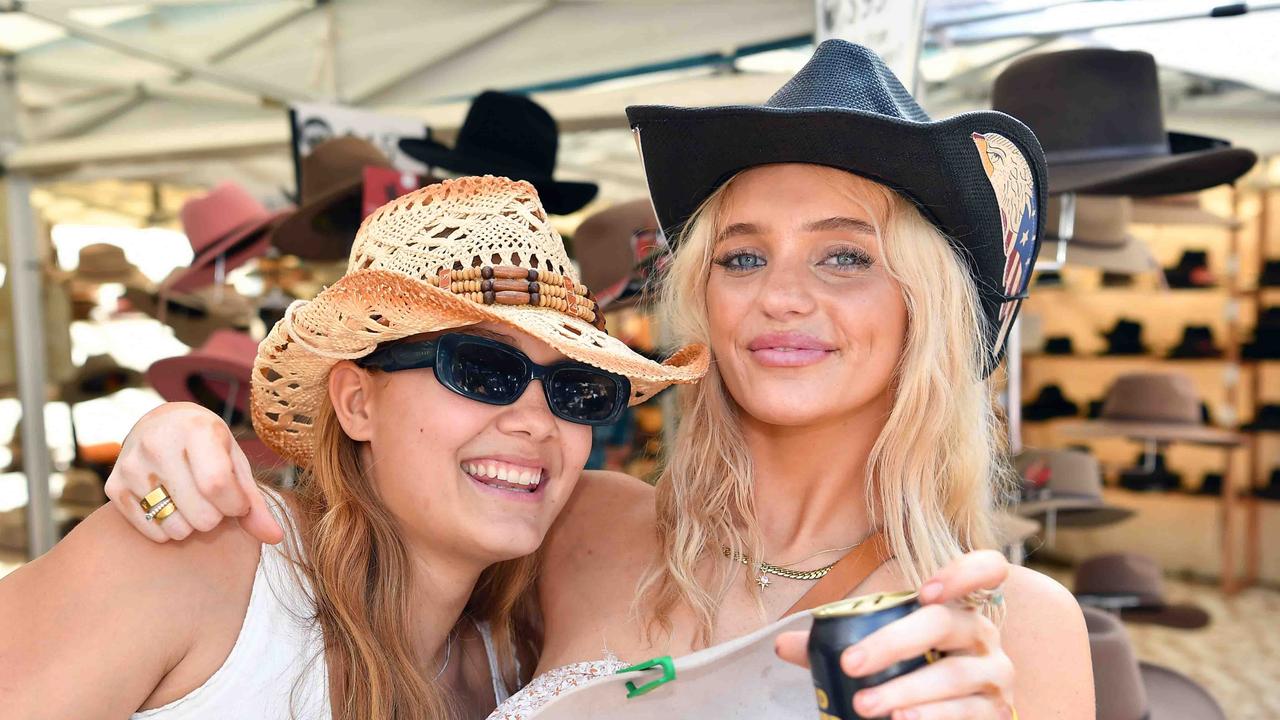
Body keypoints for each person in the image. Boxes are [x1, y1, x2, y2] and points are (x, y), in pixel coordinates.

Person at [102, 41, 1094, 719]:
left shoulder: (1003, 623)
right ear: (699, 298)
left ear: (917, 306)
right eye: (742, 258)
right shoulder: (584, 522)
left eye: (842, 258)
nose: (781, 296)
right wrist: (177, 456)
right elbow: (355, 572)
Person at [0, 176, 706, 719]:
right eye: (484, 371)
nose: (537, 420)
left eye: (578, 389)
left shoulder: (517, 654)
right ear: (358, 402)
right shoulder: (197, 565)